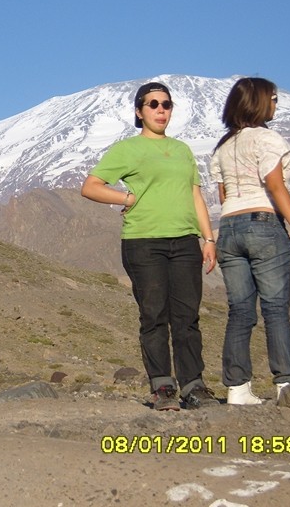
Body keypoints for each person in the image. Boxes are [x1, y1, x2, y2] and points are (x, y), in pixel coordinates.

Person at [81, 81, 219, 411]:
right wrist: (126, 197)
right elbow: (91, 186)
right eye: (153, 104)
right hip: (143, 243)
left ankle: (194, 386)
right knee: (154, 314)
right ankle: (162, 388)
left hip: (185, 241)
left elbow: (196, 196)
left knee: (187, 316)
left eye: (166, 104)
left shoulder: (183, 150)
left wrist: (209, 238)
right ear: (139, 112)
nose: (160, 110)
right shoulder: (127, 149)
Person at [209, 77, 290, 405]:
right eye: (273, 98)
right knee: (275, 309)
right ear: (259, 102)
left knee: (240, 310)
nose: (276, 104)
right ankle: (286, 384)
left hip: (229, 228)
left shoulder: (223, 147)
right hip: (263, 224)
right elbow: (275, 186)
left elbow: (223, 193)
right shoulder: (268, 140)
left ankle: (238, 389)